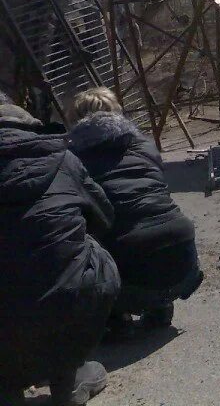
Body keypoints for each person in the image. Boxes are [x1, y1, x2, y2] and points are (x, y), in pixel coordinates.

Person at [0, 91, 120, 406]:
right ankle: (66, 376)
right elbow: (105, 217)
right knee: (87, 250)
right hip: (62, 307)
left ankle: (8, 386)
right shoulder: (63, 158)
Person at [68, 87, 203, 337]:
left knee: (79, 234)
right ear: (117, 111)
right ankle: (160, 303)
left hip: (132, 260)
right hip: (184, 258)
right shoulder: (144, 144)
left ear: (76, 119)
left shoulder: (73, 156)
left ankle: (115, 316)